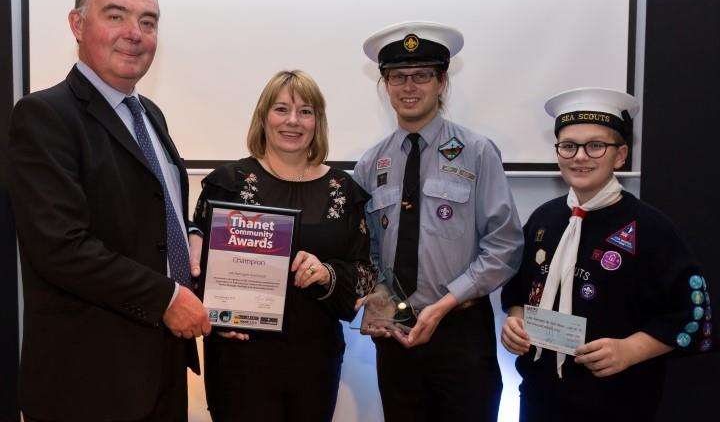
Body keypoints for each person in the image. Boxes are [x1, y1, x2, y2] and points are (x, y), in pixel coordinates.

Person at [7, 0, 209, 422]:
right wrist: (167, 297)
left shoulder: (150, 116)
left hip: (160, 366)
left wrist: (190, 236)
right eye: (115, 15)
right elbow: (61, 248)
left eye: (148, 21)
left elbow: (153, 214)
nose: (134, 33)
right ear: (78, 24)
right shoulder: (45, 116)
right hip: (88, 380)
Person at [500, 88, 713, 421]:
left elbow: (693, 314)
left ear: (621, 155)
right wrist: (515, 321)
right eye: (568, 146)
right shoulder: (543, 220)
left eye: (595, 145)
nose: (580, 156)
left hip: (618, 401)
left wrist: (630, 350)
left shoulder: (652, 228)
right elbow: (518, 291)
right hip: (540, 397)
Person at [353, 21, 524, 422]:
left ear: (442, 81)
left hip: (460, 332)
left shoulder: (478, 153)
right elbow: (363, 250)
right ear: (385, 84)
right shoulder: (369, 164)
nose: (409, 87)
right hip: (396, 334)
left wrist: (444, 304)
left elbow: (504, 245)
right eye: (398, 77)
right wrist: (378, 302)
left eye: (422, 75)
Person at [190, 70, 377, 422]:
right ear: (263, 117)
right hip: (238, 359)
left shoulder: (344, 190)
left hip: (315, 361)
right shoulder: (226, 183)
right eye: (281, 109)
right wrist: (211, 313)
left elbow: (366, 273)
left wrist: (328, 274)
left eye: (305, 111)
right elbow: (194, 264)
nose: (293, 121)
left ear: (317, 122)